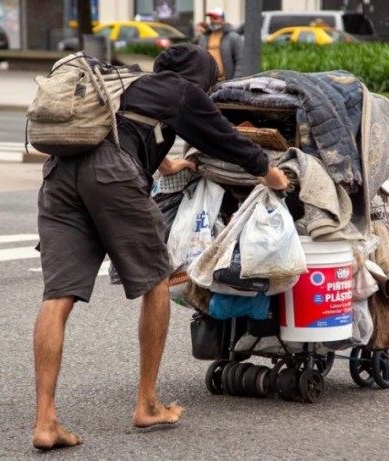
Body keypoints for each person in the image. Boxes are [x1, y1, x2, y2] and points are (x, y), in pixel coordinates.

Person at [31, 44, 288, 450]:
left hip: (60, 176)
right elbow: (226, 141)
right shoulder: (184, 91)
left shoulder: (132, 84)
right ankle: (147, 404)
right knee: (156, 282)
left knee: (57, 296)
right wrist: (270, 174)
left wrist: (168, 165)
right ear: (201, 77)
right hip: (112, 175)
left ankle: (45, 422)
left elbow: (128, 130)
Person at [197, 7, 245, 82]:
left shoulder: (233, 37)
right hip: (208, 82)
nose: (213, 20)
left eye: (215, 18)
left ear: (223, 20)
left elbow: (240, 61)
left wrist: (235, 81)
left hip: (226, 82)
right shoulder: (204, 37)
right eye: (211, 18)